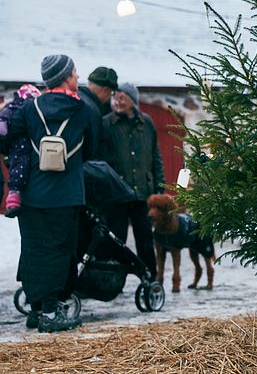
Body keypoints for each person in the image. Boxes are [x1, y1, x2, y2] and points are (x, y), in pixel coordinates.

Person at [9, 54, 95, 332]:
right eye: (75, 73)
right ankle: (51, 310)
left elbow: (11, 139)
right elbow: (93, 148)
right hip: (66, 193)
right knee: (59, 251)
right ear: (66, 77)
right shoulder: (84, 110)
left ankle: (36, 309)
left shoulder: (30, 108)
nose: (78, 77)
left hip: (33, 193)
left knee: (34, 251)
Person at [103, 83, 163, 281]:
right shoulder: (107, 124)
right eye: (116, 98)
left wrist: (159, 188)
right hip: (117, 193)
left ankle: (150, 280)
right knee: (116, 240)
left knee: (145, 240)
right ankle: (115, 282)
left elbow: (156, 157)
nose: (117, 102)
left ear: (132, 101)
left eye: (122, 98)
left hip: (143, 193)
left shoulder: (146, 123)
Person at [0, 84, 43, 217]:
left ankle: (14, 198)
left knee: (19, 167)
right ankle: (13, 199)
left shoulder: (12, 108)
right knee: (19, 168)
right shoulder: (19, 108)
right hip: (21, 146)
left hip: (19, 146)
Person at [78, 66, 118, 158]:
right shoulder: (93, 111)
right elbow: (92, 150)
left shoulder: (74, 99)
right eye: (111, 93)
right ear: (106, 90)